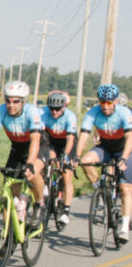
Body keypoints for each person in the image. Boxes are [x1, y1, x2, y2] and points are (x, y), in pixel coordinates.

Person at [0, 80, 48, 228]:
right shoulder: (1, 111)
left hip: (38, 145)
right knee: (12, 188)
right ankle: (12, 233)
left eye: (16, 101)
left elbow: (35, 139)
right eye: (8, 100)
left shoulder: (32, 112)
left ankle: (39, 205)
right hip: (17, 148)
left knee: (33, 174)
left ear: (23, 102)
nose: (11, 105)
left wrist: (30, 163)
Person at [75, 83, 132, 242]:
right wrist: (77, 156)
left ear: (115, 101)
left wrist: (125, 157)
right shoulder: (93, 113)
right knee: (86, 162)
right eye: (102, 102)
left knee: (125, 188)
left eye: (109, 102)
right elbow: (84, 135)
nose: (105, 106)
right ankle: (99, 191)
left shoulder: (124, 112)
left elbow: (130, 137)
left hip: (124, 149)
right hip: (105, 148)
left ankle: (124, 228)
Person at [41, 90, 77, 227]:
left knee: (67, 175)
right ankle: (48, 184)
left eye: (57, 109)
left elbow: (70, 139)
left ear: (63, 108)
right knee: (47, 159)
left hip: (67, 143)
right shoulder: (44, 113)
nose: (54, 112)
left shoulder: (70, 116)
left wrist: (66, 156)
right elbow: (39, 134)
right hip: (52, 142)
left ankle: (66, 211)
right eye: (52, 109)